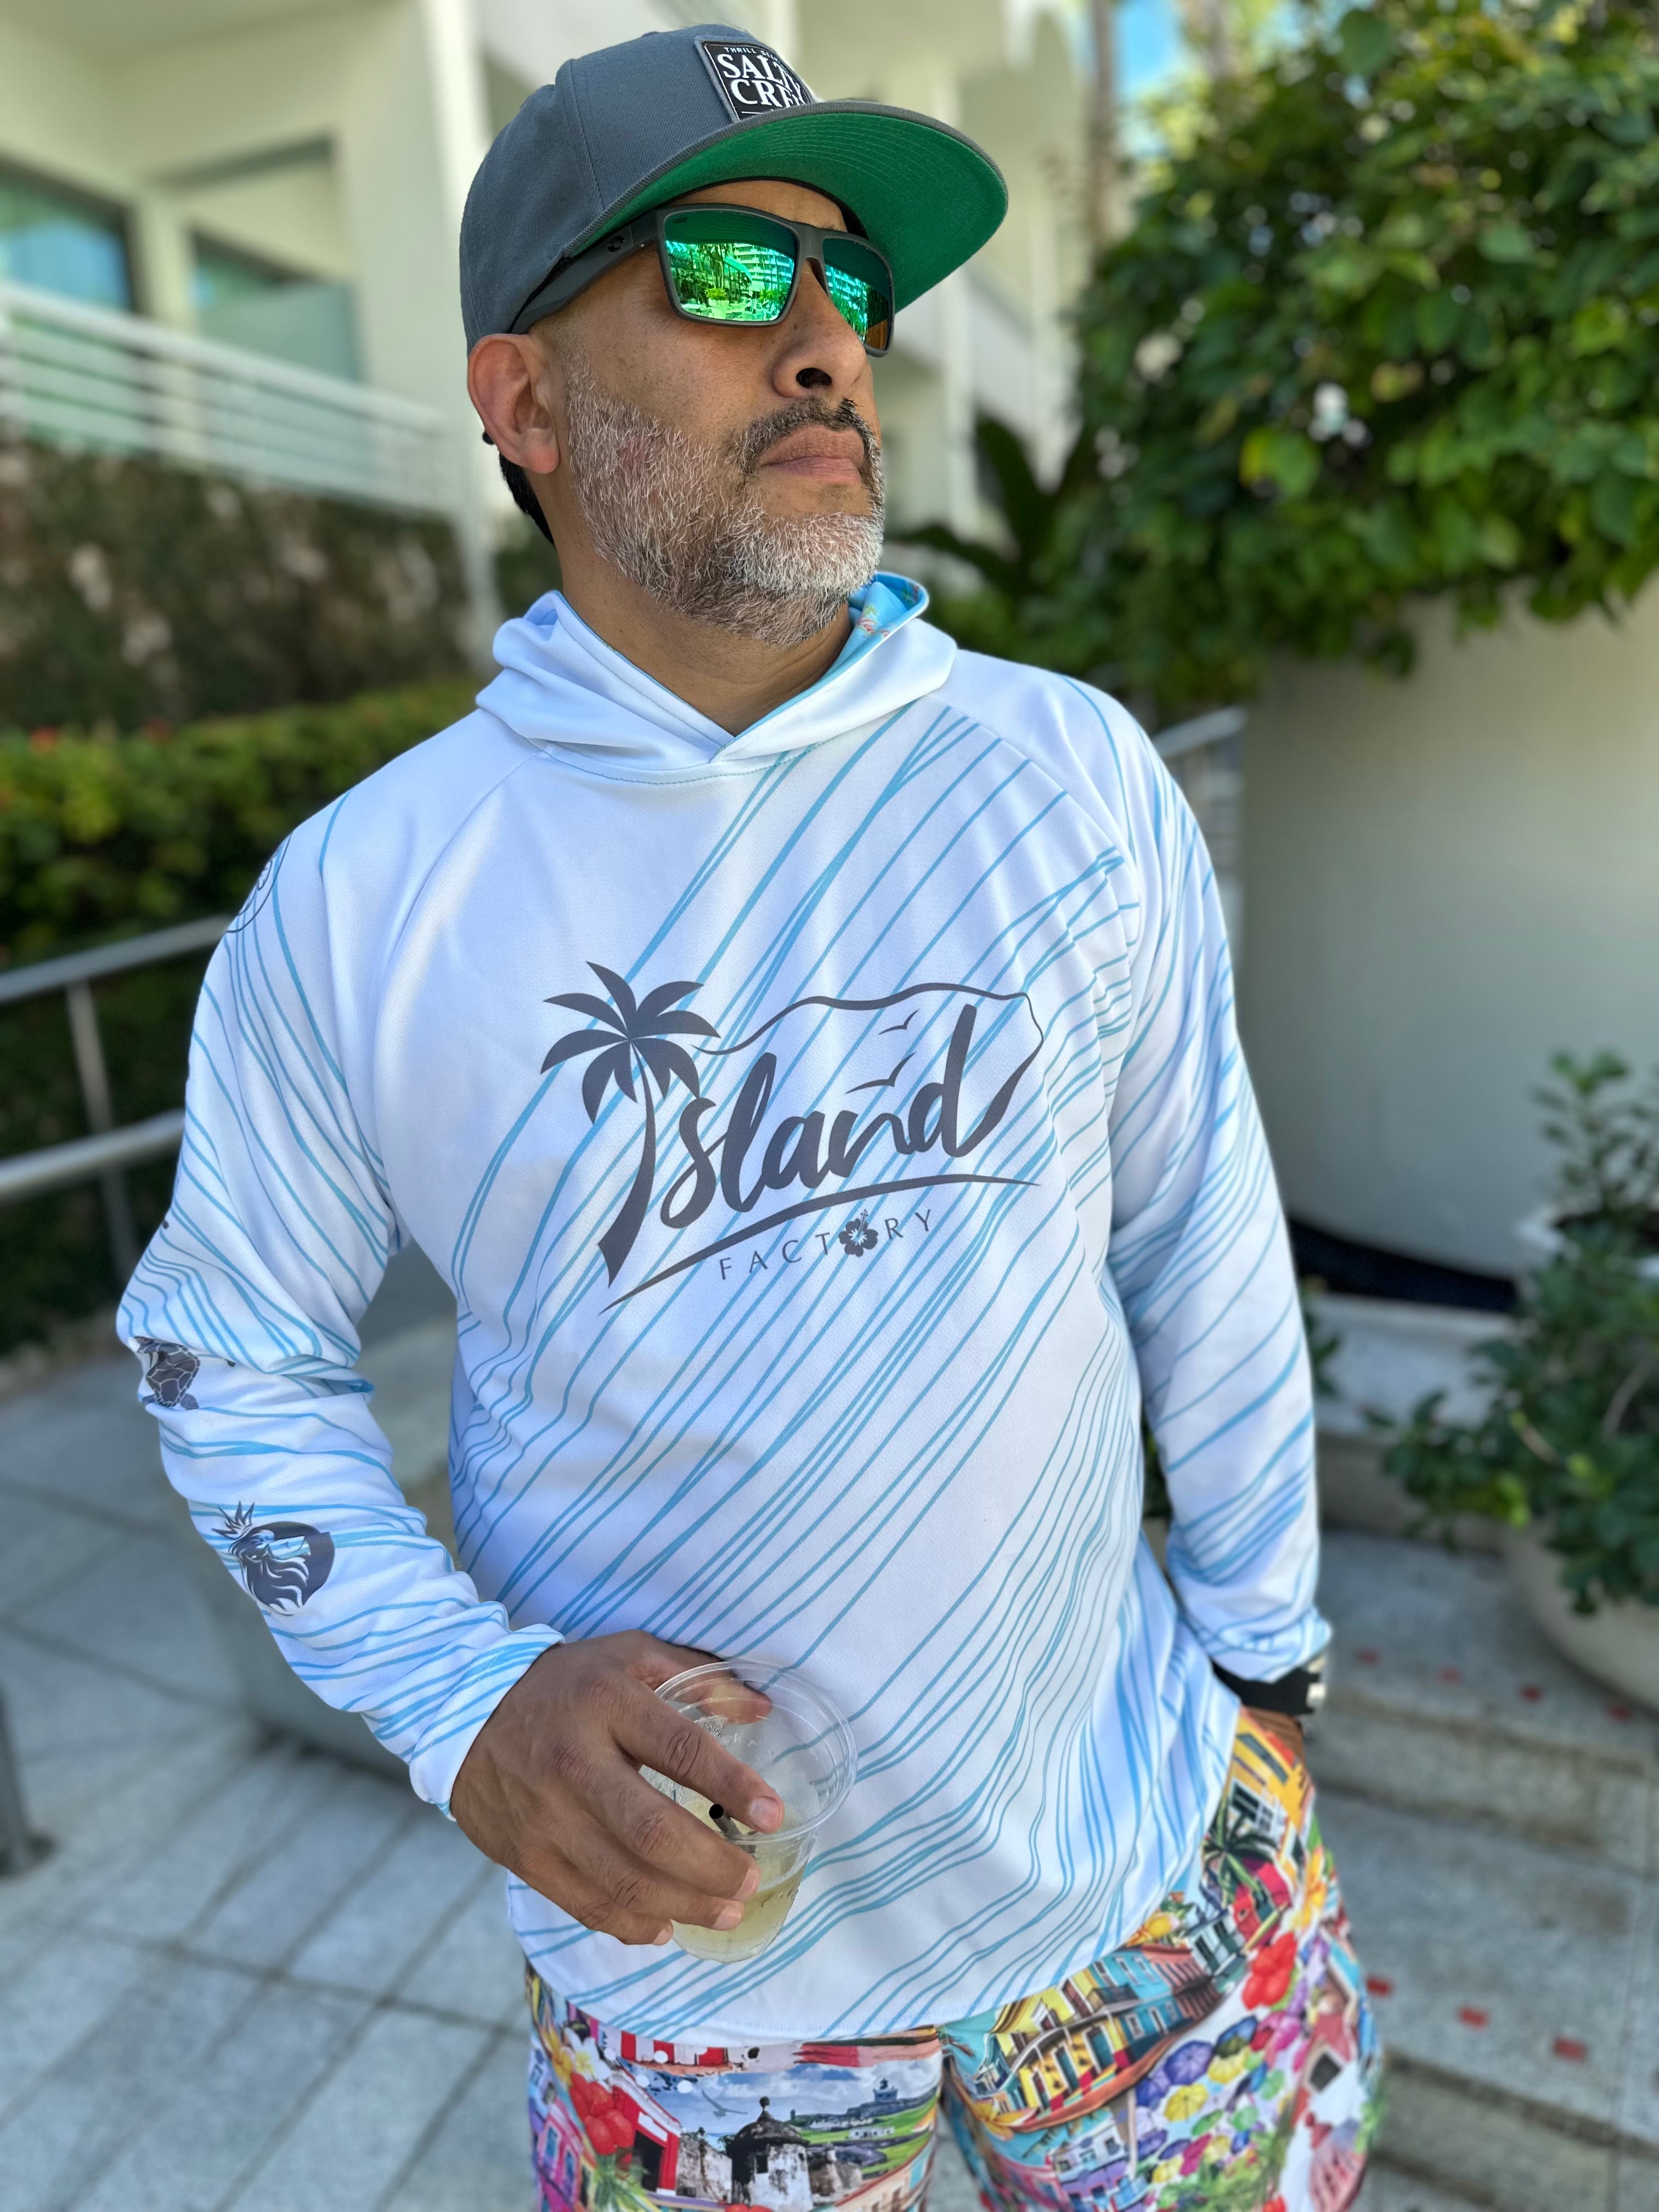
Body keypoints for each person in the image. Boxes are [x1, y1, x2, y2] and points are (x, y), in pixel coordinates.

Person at [120, 22, 1378, 2210]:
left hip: (1150, 1863)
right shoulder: (366, 900)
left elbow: (1196, 1230)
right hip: (701, 1994)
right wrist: (459, 1702)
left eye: (848, 283)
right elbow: (229, 1350)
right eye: (718, 271)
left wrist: (1266, 1664)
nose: (821, 340)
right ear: (523, 402)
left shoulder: (1068, 774)